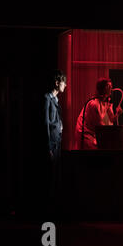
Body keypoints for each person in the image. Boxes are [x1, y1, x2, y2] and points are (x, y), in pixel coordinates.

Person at [43, 69, 67, 216]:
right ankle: (48, 209)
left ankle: (54, 208)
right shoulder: (47, 99)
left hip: (57, 140)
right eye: (64, 82)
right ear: (57, 82)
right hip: (51, 141)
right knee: (50, 175)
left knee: (56, 174)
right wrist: (48, 146)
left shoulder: (56, 100)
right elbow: (45, 122)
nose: (66, 85)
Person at [75, 78, 123, 149]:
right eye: (108, 86)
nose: (111, 88)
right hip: (85, 133)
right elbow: (100, 126)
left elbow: (112, 119)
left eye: (111, 86)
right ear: (102, 89)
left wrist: (118, 113)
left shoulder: (105, 103)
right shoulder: (94, 104)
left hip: (92, 134)